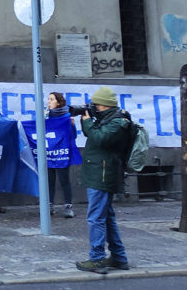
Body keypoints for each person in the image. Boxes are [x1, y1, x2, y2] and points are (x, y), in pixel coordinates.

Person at [75, 86, 132, 274]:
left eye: (96, 105)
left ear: (104, 105)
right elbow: (93, 134)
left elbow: (100, 138)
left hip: (102, 175)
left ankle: (97, 258)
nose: (94, 108)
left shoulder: (117, 123)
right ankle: (119, 257)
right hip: (98, 173)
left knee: (96, 218)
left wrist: (87, 121)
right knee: (107, 217)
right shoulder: (108, 119)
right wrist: (88, 119)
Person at [47, 91, 76, 219]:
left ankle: (68, 206)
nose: (49, 102)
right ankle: (49, 205)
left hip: (62, 153)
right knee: (49, 180)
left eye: (52, 99)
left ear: (58, 102)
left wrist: (73, 126)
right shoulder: (46, 116)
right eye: (48, 99)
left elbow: (73, 136)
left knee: (64, 180)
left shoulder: (67, 117)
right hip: (49, 152)